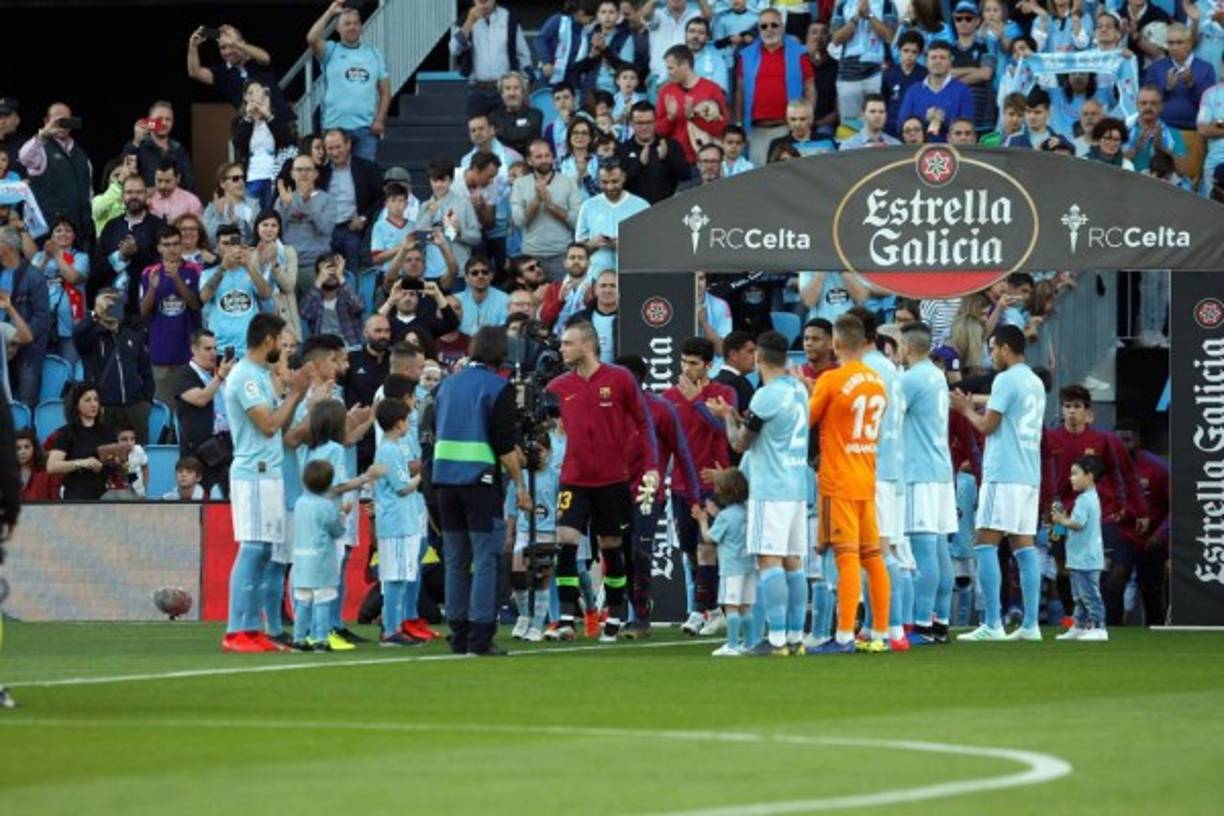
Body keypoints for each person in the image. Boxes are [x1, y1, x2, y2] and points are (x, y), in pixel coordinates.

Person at [546, 321, 658, 641]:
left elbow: (643, 422)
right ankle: (567, 616)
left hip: (612, 479)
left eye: (568, 343)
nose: (562, 348)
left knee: (611, 546)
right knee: (565, 540)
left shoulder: (619, 379)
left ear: (587, 345)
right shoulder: (557, 386)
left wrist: (651, 465)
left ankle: (617, 612)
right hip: (574, 478)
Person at [707, 330, 809, 656]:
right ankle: (795, 637)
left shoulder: (765, 395)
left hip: (771, 487)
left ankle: (776, 638)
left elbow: (740, 442)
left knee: (769, 560)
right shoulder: (798, 389)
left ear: (760, 358)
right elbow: (765, 429)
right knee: (793, 562)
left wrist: (726, 420)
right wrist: (734, 415)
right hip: (796, 485)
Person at [433, 326, 529, 656]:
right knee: (485, 559)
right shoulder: (498, 388)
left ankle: (458, 635)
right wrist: (519, 484)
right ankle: (480, 634)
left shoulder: (446, 385)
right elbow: (503, 446)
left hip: (444, 482)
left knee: (456, 559)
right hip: (480, 483)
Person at [221, 313, 310, 653]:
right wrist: (294, 395)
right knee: (253, 549)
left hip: (268, 472)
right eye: (282, 341)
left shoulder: (259, 375)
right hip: (252, 471)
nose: (285, 350)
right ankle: (235, 629)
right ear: (268, 340)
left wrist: (296, 396)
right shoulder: (246, 377)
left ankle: (252, 627)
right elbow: (269, 425)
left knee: (264, 552)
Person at [951, 324, 1046, 641]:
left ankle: (993, 623)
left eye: (992, 348)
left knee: (984, 542)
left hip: (1003, 472)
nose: (990, 354)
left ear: (1005, 348)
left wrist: (965, 409)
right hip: (1029, 473)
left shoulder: (1006, 379)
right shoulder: (1034, 382)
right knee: (1023, 546)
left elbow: (987, 426)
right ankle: (1030, 625)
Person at [804, 315, 892, 654]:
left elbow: (807, 419)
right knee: (873, 556)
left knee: (847, 557)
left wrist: (807, 394)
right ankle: (880, 632)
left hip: (838, 479)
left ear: (836, 344)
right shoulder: (876, 380)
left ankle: (842, 635)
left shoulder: (832, 379)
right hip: (866, 476)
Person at [664, 336, 737, 636]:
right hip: (683, 484)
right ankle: (708, 607)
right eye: (684, 362)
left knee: (708, 546)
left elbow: (726, 429)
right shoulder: (669, 396)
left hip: (714, 481)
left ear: (709, 365)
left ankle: (704, 610)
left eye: (694, 363)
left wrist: (696, 401)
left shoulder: (724, 393)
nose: (687, 368)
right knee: (691, 550)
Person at [898, 321, 958, 643]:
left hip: (920, 472)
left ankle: (922, 623)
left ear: (907, 347)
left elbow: (890, 418)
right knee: (938, 550)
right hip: (941, 472)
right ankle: (941, 621)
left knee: (924, 552)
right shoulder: (937, 375)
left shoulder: (910, 379)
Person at [307, 0, 391, 161]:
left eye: (356, 23)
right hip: (335, 127)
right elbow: (312, 38)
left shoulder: (374, 53)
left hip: (365, 129)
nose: (352, 27)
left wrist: (380, 119)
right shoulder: (331, 50)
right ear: (338, 28)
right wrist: (330, 12)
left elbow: (385, 92)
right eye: (347, 24)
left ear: (360, 26)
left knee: (363, 178)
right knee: (336, 178)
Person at [735, 7, 817, 167]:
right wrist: (739, 124)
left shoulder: (799, 53)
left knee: (792, 176)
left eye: (774, 25)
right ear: (758, 29)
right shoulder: (746, 55)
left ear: (782, 27)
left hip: (788, 128)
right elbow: (740, 92)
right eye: (764, 26)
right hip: (757, 131)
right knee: (758, 179)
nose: (769, 30)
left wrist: (808, 118)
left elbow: (810, 88)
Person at [73, 288, 154, 445]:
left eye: (115, 302)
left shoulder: (132, 335)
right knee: (104, 456)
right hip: (104, 407)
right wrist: (95, 314)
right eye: (107, 302)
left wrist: (146, 401)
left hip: (134, 407)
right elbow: (78, 336)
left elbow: (145, 370)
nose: (111, 307)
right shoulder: (91, 335)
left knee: (138, 456)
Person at [140, 225, 203, 410]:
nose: (171, 249)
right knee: (163, 407)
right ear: (159, 248)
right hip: (160, 352)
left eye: (176, 244)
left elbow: (195, 304)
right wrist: (152, 288)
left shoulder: (195, 270)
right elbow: (143, 311)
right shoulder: (148, 272)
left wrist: (176, 279)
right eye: (166, 245)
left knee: (188, 409)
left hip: (189, 352)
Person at [1114, 418, 1169, 626]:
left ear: (1138, 440)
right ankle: (1111, 631)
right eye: (1118, 441)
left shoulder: (1158, 468)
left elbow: (1176, 507)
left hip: (1152, 538)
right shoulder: (1107, 467)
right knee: (1114, 582)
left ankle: (1156, 631)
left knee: (1151, 588)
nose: (1122, 446)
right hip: (1122, 536)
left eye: (1127, 440)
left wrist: (1161, 535)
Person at [290, 458, 349, 652]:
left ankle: (298, 638)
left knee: (303, 603)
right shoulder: (326, 506)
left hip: (301, 560)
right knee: (323, 601)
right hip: (321, 563)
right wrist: (343, 514)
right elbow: (338, 531)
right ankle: (321, 639)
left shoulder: (300, 503)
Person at [693, 467, 752, 656]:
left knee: (732, 606)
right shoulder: (746, 512)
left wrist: (703, 520)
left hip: (731, 567)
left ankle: (732, 644)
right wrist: (716, 513)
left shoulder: (726, 516)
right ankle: (750, 643)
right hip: (748, 566)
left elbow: (710, 538)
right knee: (746, 607)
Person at [92, 174, 164, 322]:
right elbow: (97, 269)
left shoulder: (158, 226)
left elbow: (162, 265)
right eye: (129, 192)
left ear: (146, 195)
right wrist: (120, 256)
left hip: (146, 306)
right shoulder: (111, 226)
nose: (134, 197)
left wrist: (136, 253)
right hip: (112, 306)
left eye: (138, 192)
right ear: (122, 196)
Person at [19, 103, 94, 247]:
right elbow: (24, 157)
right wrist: (43, 134)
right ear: (46, 121)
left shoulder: (82, 155)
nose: (61, 124)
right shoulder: (40, 149)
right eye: (56, 120)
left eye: (66, 120)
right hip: (47, 235)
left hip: (78, 235)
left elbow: (89, 193)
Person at [1051, 455, 1108, 641]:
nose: (1071, 478)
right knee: (1080, 597)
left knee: (1089, 595)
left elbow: (1078, 524)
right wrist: (1063, 520)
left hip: (1085, 559)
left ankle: (1099, 627)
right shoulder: (1089, 498)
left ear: (1089, 476)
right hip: (1081, 558)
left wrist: (1061, 520)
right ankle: (1079, 625)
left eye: (1075, 474)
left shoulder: (1084, 500)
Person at [188, 24, 292, 122]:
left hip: (282, 123)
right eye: (223, 48)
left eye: (231, 46)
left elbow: (265, 57)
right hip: (253, 130)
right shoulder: (222, 73)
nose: (228, 51)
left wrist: (235, 43)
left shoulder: (256, 60)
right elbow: (195, 72)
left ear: (242, 43)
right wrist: (193, 46)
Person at [510, 139, 581, 281]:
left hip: (561, 255)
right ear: (529, 161)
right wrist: (536, 201)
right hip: (531, 257)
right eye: (539, 157)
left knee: (561, 300)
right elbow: (519, 221)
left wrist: (551, 206)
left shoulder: (568, 182)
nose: (544, 160)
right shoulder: (520, 184)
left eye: (547, 155)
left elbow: (577, 221)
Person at [175, 329, 234, 496]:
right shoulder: (185, 373)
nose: (214, 353)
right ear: (194, 349)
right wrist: (220, 377)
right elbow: (201, 399)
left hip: (225, 445)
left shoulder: (222, 370)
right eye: (208, 349)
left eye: (215, 348)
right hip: (199, 452)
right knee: (201, 499)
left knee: (228, 497)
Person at [200, 225, 273, 357]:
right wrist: (222, 268)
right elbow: (204, 297)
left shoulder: (251, 272)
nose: (230, 248)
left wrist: (249, 266)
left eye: (234, 243)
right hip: (220, 348)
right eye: (225, 244)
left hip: (250, 347)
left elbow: (266, 294)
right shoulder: (207, 273)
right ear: (218, 248)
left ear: (241, 246)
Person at [451, 0, 534, 116]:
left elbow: (523, 55)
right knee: (478, 129)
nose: (483, 4)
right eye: (480, 1)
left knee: (505, 131)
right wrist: (469, 22)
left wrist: (526, 86)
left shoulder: (508, 16)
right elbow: (454, 49)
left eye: (486, 1)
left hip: (505, 89)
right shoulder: (466, 17)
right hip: (477, 88)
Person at [45, 382, 122, 501]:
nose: (93, 404)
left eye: (96, 400)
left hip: (105, 496)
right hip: (77, 496)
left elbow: (117, 467)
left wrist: (118, 461)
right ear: (76, 405)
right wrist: (82, 463)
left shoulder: (108, 431)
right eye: (87, 400)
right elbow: (52, 466)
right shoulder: (67, 432)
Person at [655, 45, 730, 164]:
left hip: (706, 163)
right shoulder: (666, 92)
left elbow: (722, 130)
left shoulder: (712, 89)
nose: (668, 73)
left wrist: (694, 117)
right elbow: (658, 131)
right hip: (675, 163)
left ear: (685, 64)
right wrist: (670, 117)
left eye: (671, 68)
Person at [321, 129, 384, 271]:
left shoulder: (367, 168)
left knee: (353, 272)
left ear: (348, 145)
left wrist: (364, 218)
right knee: (327, 273)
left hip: (352, 229)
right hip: (327, 231)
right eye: (330, 148)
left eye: (338, 147)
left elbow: (380, 198)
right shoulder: (322, 172)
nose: (335, 153)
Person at [0, 227, 49, 408]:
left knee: (25, 405)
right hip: (1, 349)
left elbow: (42, 317)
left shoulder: (34, 276)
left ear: (8, 247)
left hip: (28, 352)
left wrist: (15, 343)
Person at [830, 0, 899, 125]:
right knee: (850, 126)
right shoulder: (842, 5)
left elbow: (890, 37)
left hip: (878, 72)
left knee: (878, 123)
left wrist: (869, 15)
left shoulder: (887, 4)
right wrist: (855, 18)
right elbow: (836, 39)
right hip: (848, 74)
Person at [574, 160, 650, 275]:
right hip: (596, 276)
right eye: (604, 182)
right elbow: (577, 250)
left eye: (615, 181)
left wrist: (627, 244)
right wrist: (592, 244)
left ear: (624, 177)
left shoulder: (642, 205)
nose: (610, 187)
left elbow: (652, 244)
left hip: (632, 274)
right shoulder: (588, 206)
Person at [276, 156, 337, 293]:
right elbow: (275, 232)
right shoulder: (284, 198)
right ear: (292, 174)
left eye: (308, 169)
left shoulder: (328, 200)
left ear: (315, 174)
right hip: (288, 265)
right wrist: (285, 206)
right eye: (299, 169)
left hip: (315, 265)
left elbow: (326, 229)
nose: (303, 173)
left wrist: (306, 204)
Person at [231, 82, 296, 209]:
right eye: (251, 93)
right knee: (251, 217)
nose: (255, 97)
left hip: (274, 178)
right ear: (245, 97)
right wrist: (249, 117)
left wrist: (268, 114)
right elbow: (239, 144)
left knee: (272, 216)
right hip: (251, 177)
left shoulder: (276, 118)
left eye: (259, 92)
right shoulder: (239, 121)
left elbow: (287, 141)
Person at [899, 40, 974, 141]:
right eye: (933, 57)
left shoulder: (963, 90)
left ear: (950, 61)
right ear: (926, 61)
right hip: (918, 153)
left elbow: (968, 127)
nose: (937, 61)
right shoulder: (913, 91)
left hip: (952, 153)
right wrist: (924, 119)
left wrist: (943, 120)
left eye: (942, 58)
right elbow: (901, 124)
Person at [617, 103, 693, 203]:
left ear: (656, 122)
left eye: (649, 122)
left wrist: (667, 157)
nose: (644, 127)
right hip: (635, 212)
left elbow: (686, 175)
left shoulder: (671, 145)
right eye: (639, 123)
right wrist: (639, 164)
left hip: (666, 208)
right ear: (631, 123)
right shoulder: (622, 149)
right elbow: (618, 184)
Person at [299, 253, 365, 349]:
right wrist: (319, 281)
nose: (331, 275)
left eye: (334, 270)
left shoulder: (347, 292)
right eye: (326, 271)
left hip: (350, 346)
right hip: (322, 348)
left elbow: (359, 307)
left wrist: (340, 277)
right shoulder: (314, 295)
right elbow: (304, 313)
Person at [882, 30, 928, 137]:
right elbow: (884, 100)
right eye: (906, 51)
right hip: (891, 126)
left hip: (915, 127)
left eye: (914, 52)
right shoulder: (889, 74)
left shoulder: (925, 75)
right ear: (899, 50)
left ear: (920, 53)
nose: (909, 55)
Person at [16, 428, 55, 502]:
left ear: (34, 448)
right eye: (17, 448)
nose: (22, 452)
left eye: (27, 447)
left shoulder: (46, 473)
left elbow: (55, 502)